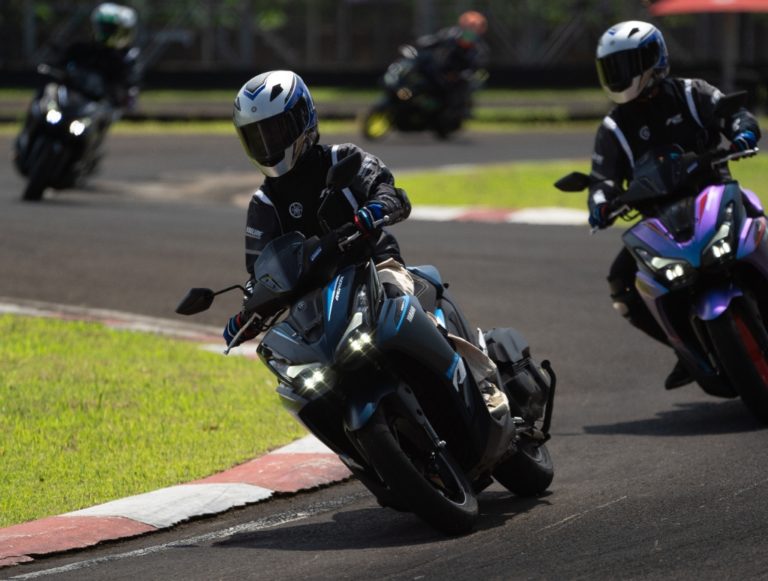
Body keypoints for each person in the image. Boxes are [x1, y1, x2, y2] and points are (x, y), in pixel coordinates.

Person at [222, 70, 507, 413]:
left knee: (408, 309)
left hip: (374, 268)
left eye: (274, 131)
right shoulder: (264, 204)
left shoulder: (342, 157)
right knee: (297, 373)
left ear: (303, 120)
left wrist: (376, 209)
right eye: (256, 136)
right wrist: (248, 312)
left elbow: (389, 191)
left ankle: (481, 382)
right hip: (317, 303)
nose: (267, 144)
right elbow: (261, 272)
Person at [587, 20, 761, 389]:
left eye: (624, 65)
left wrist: (743, 132)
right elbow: (602, 177)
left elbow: (733, 115)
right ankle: (684, 348)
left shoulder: (691, 93)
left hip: (713, 192)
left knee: (758, 215)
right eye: (610, 68)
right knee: (622, 283)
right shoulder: (613, 126)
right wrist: (600, 203)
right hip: (658, 219)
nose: (617, 76)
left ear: (653, 59)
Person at [14, 2, 141, 174]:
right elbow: (58, 58)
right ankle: (26, 136)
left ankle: (88, 157)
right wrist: (51, 68)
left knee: (102, 121)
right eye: (106, 28)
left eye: (112, 29)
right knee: (44, 97)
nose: (108, 33)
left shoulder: (124, 59)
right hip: (70, 94)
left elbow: (130, 84)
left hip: (94, 104)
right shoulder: (81, 47)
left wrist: (125, 97)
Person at [412, 10, 489, 124]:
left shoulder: (478, 49)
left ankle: (457, 111)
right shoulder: (450, 35)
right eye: (469, 26)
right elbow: (431, 42)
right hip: (438, 72)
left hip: (457, 78)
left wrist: (462, 75)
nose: (471, 31)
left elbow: (477, 66)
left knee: (467, 83)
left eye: (475, 27)